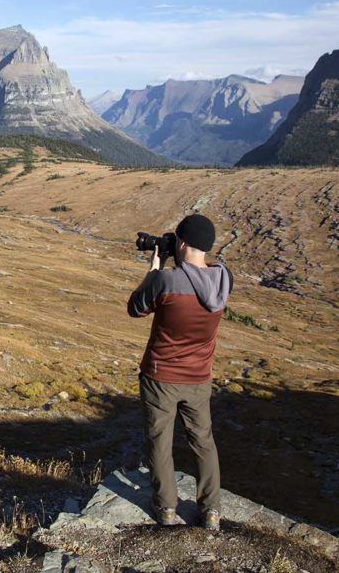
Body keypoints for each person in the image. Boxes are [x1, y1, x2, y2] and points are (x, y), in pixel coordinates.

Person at [127, 213, 232, 531]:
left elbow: (135, 307)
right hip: (199, 377)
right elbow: (208, 270)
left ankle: (167, 508)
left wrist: (155, 266)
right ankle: (211, 510)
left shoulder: (166, 280)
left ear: (181, 243)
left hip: (161, 377)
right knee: (203, 441)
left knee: (160, 441)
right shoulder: (223, 279)